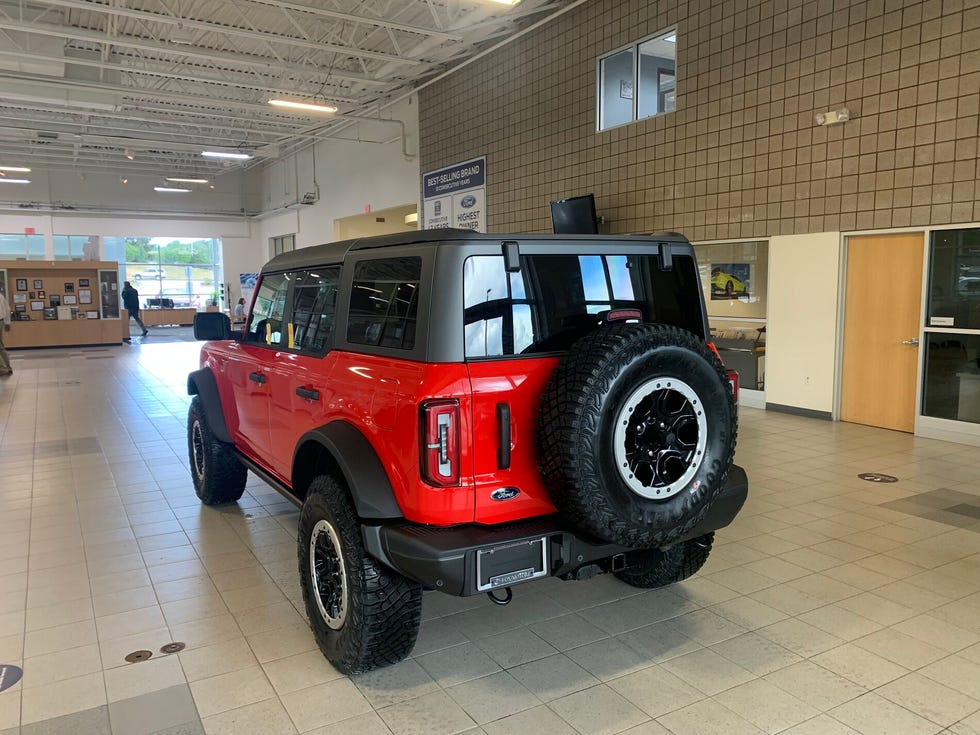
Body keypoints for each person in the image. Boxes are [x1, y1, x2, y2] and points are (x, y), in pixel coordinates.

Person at [0, 287, 11, 376]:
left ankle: (3, 368)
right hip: (1, 321)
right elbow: (7, 310)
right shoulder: (1, 296)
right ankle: (7, 366)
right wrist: (7, 323)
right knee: (1, 346)